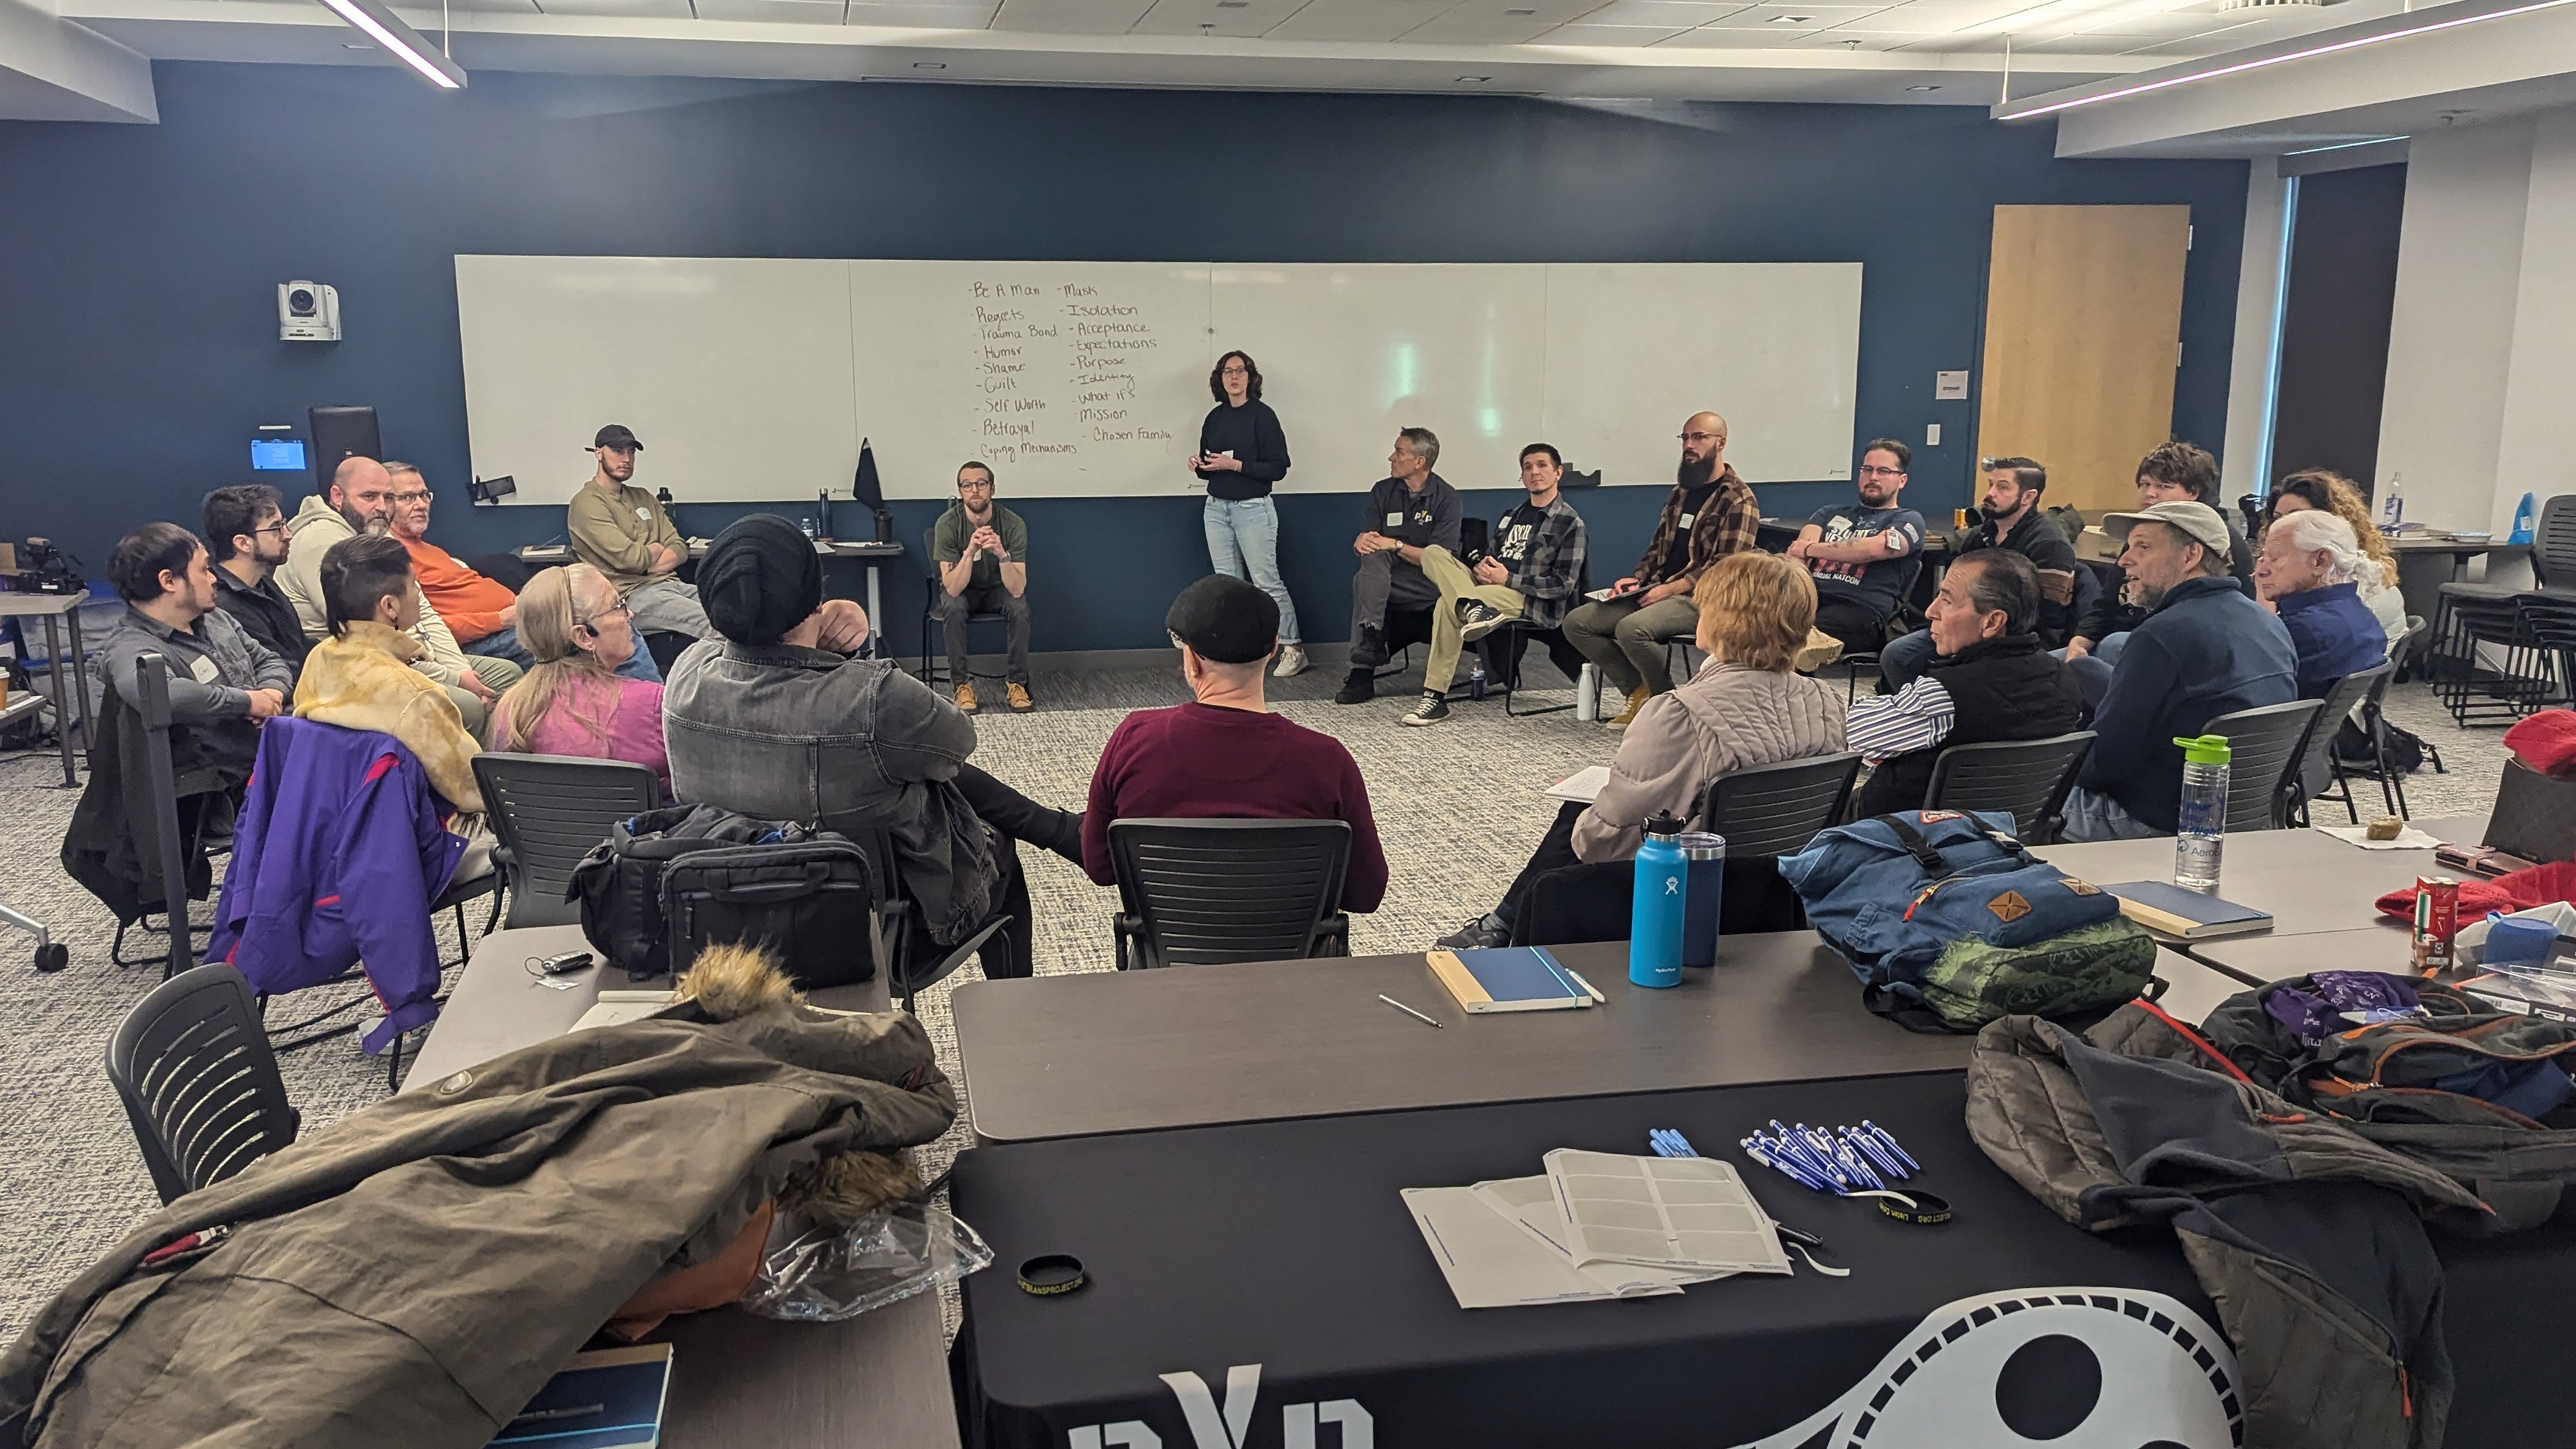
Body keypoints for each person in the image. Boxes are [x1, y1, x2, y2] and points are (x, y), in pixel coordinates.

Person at [661, 514, 1082, 980]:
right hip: (876, 929)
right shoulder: (873, 699)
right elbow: (959, 740)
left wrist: (811, 630)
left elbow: (733, 639)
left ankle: (1060, 831)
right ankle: (1018, 999)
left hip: (725, 923)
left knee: (899, 762)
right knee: (985, 840)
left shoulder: (684, 679)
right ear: (815, 599)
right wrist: (844, 647)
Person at [1439, 552, 1846, 949]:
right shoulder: (1827, 702)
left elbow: (1607, 842)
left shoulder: (1680, 712)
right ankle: (1500, 926)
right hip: (1779, 894)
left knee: (1579, 817)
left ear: (1723, 621)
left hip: (1681, 895)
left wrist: (1591, 815)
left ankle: (1500, 928)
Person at [1083, 575, 1388, 911]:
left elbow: (1100, 866)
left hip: (1171, 943)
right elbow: (1366, 894)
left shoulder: (1134, 740)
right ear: (1274, 649)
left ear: (1192, 659)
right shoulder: (1327, 759)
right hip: (1290, 945)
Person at [2060, 501, 2297, 842]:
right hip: (2246, 815)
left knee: (2001, 797)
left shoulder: (2161, 636)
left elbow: (2105, 762)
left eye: (2143, 547)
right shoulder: (2269, 624)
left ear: (2190, 556)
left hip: (2156, 822)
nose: (2125, 560)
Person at [280, 456, 521, 734]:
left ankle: (491, 757)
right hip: (351, 669)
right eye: (369, 497)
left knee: (506, 675)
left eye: (389, 497)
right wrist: (454, 679)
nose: (382, 507)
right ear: (337, 496)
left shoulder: (376, 534)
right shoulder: (321, 543)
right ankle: (459, 760)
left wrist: (461, 671)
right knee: (467, 705)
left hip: (405, 657)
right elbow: (369, 635)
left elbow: (424, 611)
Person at [1846, 550, 2089, 817]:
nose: (1930, 611)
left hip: (1905, 831)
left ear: (1992, 622)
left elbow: (1855, 735)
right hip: (2007, 831)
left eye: (1947, 600)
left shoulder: (1944, 696)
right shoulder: (2066, 682)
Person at [1560, 412, 1760, 725]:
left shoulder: (1739, 500)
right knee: (1577, 623)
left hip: (1703, 598)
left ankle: (1665, 705)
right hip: (1658, 589)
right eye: (1685, 438)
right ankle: (1639, 690)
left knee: (1632, 629)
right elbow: (1658, 548)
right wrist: (1637, 578)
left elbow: (1727, 567)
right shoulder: (1681, 493)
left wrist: (1671, 589)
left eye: (1699, 437)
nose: (1689, 445)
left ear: (1721, 443)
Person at [391, 463, 660, 686]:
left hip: (515, 618)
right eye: (408, 498)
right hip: (488, 638)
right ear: (386, 502)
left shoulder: (429, 549)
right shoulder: (395, 559)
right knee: (613, 630)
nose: (421, 504)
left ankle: (640, 707)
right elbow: (429, 629)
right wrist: (500, 619)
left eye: (424, 495)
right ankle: (654, 712)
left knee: (613, 620)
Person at [292, 533, 487, 816]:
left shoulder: (317, 659)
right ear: (390, 606)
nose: (418, 594)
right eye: (413, 585)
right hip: (415, 829)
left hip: (334, 816)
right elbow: (472, 792)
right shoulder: (415, 693)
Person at [1397, 442, 1589, 727]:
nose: (1534, 472)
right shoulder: (1512, 515)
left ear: (1558, 472)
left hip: (1527, 599)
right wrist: (1482, 568)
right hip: (1487, 589)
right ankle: (1474, 607)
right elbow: (1492, 556)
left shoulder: (1570, 523)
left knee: (1446, 604)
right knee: (1434, 553)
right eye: (1527, 467)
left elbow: (1564, 585)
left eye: (1542, 466)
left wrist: (1507, 579)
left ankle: (1434, 697)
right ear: (1522, 476)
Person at [92, 523, 292, 772]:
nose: (213, 579)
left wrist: (271, 693)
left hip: (263, 757)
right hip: (216, 781)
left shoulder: (215, 618)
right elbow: (160, 693)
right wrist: (246, 702)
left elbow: (268, 660)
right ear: (168, 581)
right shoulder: (130, 648)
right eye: (204, 570)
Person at [1876, 456, 2080, 689]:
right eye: (1991, 485)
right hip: (1969, 627)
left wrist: (1976, 633)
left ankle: (1951, 704)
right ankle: (1920, 707)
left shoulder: (2050, 544)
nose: (1991, 493)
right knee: (1897, 654)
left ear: (2028, 497)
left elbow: (2047, 617)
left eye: (2002, 487)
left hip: (2018, 640)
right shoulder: (1981, 535)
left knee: (1955, 670)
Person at [2065, 440, 2254, 663]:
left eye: (2164, 486)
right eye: (2145, 484)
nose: (2150, 494)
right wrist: (2080, 640)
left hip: (2171, 650)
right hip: (2120, 644)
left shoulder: (2219, 542)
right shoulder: (2146, 529)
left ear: (2193, 493)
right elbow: (2107, 603)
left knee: (2113, 645)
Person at [487, 565, 670, 789]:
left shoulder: (510, 711)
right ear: (583, 636)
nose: (629, 615)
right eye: (617, 607)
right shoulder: (653, 704)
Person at [1189, 351, 1305, 678]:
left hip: (1253, 508)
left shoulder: (1263, 417)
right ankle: (1238, 652)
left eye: (1240, 371)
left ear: (1250, 377)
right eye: (1228, 371)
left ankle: (1293, 648)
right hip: (1216, 508)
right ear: (1220, 378)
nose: (1234, 377)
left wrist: (1235, 465)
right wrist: (1200, 466)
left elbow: (1278, 468)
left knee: (1266, 581)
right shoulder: (1215, 418)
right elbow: (1210, 469)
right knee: (1227, 585)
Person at [1335, 428, 1462, 705]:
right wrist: (1362, 540)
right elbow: (1371, 540)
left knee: (1364, 582)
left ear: (1420, 462)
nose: (1391, 458)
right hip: (1384, 576)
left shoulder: (1447, 498)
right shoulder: (1383, 490)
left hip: (1429, 583)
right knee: (1372, 564)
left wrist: (1395, 545)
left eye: (1399, 452)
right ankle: (1369, 639)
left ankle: (1363, 666)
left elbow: (1440, 560)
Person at [566, 423, 714, 642]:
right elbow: (631, 560)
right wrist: (656, 549)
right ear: (598, 453)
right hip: (629, 596)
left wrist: (646, 565)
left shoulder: (643, 497)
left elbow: (679, 547)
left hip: (670, 585)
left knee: (734, 613)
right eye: (618, 451)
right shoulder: (587, 503)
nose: (626, 459)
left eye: (631, 452)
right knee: (714, 625)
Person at [1786, 438, 1926, 656]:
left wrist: (1810, 550)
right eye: (1867, 469)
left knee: (1799, 632)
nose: (1873, 477)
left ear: (1902, 480)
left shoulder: (1908, 520)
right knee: (1757, 619)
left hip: (1859, 610)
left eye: (1884, 471)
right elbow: (1797, 556)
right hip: (1810, 599)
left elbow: (1872, 550)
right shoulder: (1829, 513)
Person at [930, 460, 1033, 713]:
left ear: (992, 489)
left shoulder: (1013, 524)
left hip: (998, 589)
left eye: (981, 484)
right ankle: (961, 685)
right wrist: (969, 552)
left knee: (1019, 607)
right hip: (964, 590)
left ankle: (1017, 683)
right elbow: (952, 589)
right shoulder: (948, 524)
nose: (974, 490)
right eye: (967, 485)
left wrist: (1002, 554)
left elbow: (1017, 588)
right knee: (953, 606)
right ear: (960, 491)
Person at [2261, 469, 2406, 645]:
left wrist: (2263, 598)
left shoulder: (2361, 595)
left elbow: (2268, 643)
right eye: (2277, 518)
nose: (2281, 526)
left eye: (2296, 517)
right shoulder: (2340, 590)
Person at [2255, 510, 2392, 697]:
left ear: (2320, 561)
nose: (2261, 570)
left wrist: (2262, 618)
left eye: (2275, 558)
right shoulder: (2362, 614)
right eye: (2263, 559)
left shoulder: (2301, 630)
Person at [202, 483, 312, 681]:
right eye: (276, 528)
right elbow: (283, 665)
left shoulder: (264, 584)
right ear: (243, 543)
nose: (287, 535)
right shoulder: (225, 605)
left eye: (284, 524)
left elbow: (299, 646)